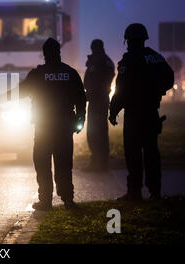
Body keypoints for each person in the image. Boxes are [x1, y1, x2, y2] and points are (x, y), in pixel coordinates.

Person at [18, 37, 87, 210]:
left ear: (44, 54)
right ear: (59, 52)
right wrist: (80, 118)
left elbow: (20, 92)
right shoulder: (70, 73)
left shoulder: (38, 74)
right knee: (64, 164)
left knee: (42, 164)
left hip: (43, 128)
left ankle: (46, 201)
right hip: (64, 128)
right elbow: (81, 99)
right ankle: (68, 200)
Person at [109, 23, 174, 201]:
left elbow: (120, 90)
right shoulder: (155, 56)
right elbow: (169, 77)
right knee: (152, 153)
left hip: (134, 115)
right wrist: (158, 90)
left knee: (133, 154)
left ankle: (134, 192)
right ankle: (155, 192)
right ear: (144, 39)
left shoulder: (129, 60)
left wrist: (113, 111)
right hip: (152, 113)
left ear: (128, 40)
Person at [83, 39, 115, 172]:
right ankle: (99, 162)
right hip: (97, 99)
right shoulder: (104, 61)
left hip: (98, 100)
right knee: (97, 132)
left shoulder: (100, 62)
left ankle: (99, 163)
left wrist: (92, 92)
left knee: (96, 133)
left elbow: (99, 81)